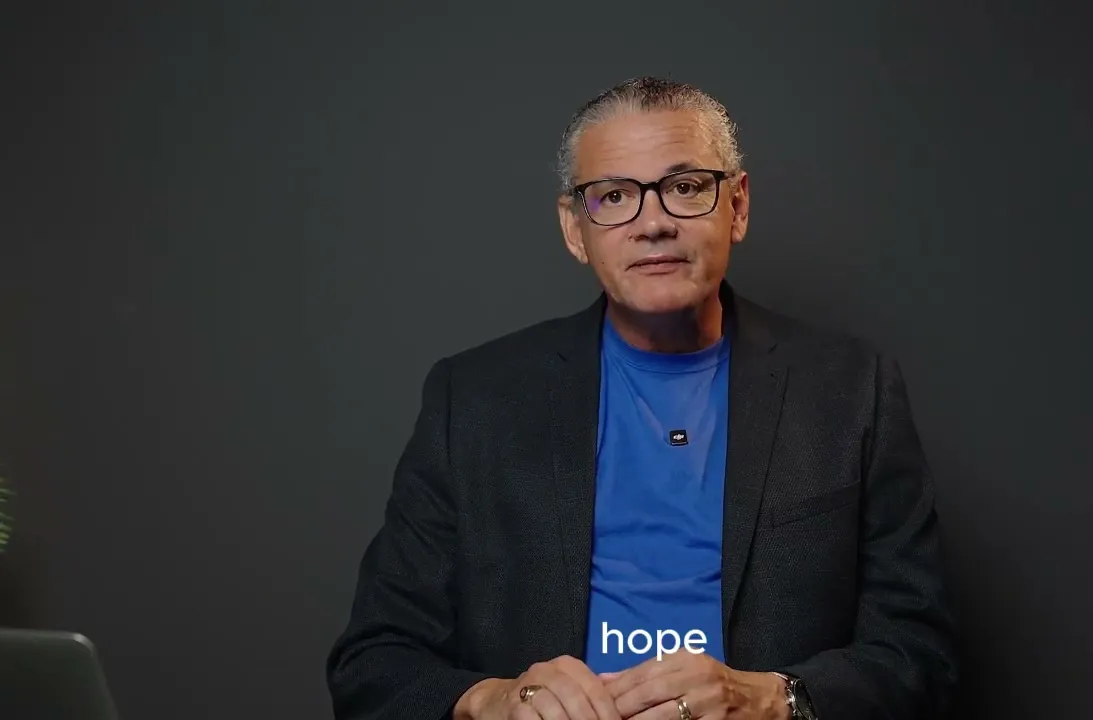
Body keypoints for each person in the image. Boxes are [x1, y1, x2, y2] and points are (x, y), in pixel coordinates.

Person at [326, 76, 957, 720]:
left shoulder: (851, 388)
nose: (653, 224)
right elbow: (374, 661)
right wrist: (494, 700)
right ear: (575, 229)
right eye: (614, 196)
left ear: (737, 206)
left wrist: (776, 699)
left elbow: (921, 653)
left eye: (685, 188)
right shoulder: (473, 399)